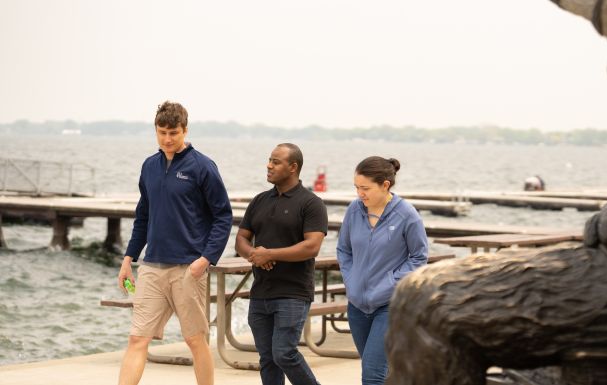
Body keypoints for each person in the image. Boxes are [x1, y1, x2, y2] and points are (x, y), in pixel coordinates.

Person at [116, 101, 233, 385]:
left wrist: (205, 259)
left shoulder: (203, 167)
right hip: (152, 268)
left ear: (185, 130)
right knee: (136, 338)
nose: (168, 139)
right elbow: (143, 216)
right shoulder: (149, 166)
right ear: (156, 131)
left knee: (195, 340)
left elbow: (223, 216)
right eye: (162, 132)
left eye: (174, 133)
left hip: (188, 269)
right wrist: (129, 259)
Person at [235, 143, 327, 385]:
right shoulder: (259, 201)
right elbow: (241, 238)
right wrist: (254, 254)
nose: (269, 165)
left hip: (293, 293)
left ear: (293, 167)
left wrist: (271, 254)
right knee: (267, 358)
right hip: (260, 293)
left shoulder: (311, 203)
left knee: (284, 353)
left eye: (276, 162)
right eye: (269, 160)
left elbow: (312, 246)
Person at [336, 156, 429, 385]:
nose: (360, 193)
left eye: (365, 188)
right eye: (357, 187)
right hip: (357, 306)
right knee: (381, 370)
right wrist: (351, 280)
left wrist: (391, 283)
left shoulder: (406, 214)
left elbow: (419, 257)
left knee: (372, 373)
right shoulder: (354, 210)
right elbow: (343, 249)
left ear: (385, 185)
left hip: (390, 305)